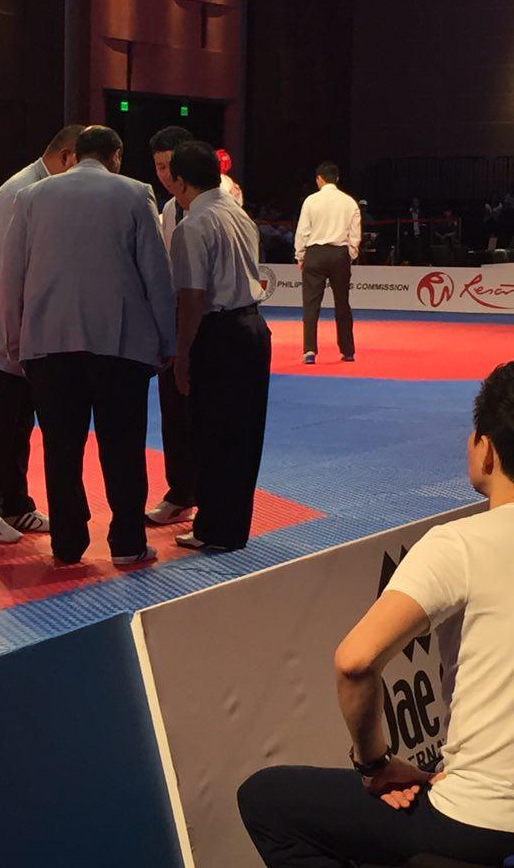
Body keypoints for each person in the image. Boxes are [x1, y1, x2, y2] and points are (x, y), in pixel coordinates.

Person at [238, 363, 514, 867]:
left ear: (487, 448)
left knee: (265, 800)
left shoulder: (460, 544)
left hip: (483, 823)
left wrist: (375, 764)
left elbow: (355, 661)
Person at [0, 125, 174, 567]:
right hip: (120, 345)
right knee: (123, 448)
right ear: (116, 157)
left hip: (48, 344)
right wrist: (166, 340)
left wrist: (15, 340)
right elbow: (156, 274)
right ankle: (128, 543)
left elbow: (10, 276)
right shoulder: (135, 194)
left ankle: (67, 543)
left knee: (61, 449)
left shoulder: (32, 197)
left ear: (75, 155)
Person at [0, 124, 82, 543]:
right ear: (66, 157)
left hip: (20, 331)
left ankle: (15, 503)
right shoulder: (20, 193)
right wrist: (17, 338)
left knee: (19, 420)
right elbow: (11, 276)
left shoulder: (42, 191)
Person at [167, 141, 271, 553]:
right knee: (244, 434)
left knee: (211, 432)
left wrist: (181, 355)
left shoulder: (193, 225)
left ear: (180, 181)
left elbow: (192, 297)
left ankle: (212, 528)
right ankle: (232, 527)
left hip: (219, 332)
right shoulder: (238, 214)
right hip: (253, 328)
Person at [145, 125, 201, 528]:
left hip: (208, 317)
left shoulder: (218, 201)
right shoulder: (168, 209)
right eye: (158, 166)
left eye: (169, 165)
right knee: (174, 411)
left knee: (204, 412)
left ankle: (206, 494)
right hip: (175, 316)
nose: (164, 174)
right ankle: (181, 492)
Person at [294, 161, 361, 364]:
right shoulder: (349, 202)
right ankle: (347, 351)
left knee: (310, 304)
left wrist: (300, 256)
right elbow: (355, 234)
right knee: (342, 303)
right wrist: (349, 255)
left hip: (315, 254)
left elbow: (303, 231)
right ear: (337, 179)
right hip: (339, 254)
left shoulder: (311, 201)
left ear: (319, 179)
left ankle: (309, 351)